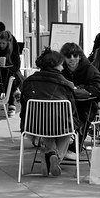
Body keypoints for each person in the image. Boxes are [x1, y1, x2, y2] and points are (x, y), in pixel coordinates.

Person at [19, 49, 79, 177]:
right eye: (61, 64)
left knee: (45, 124)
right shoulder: (66, 84)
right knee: (68, 129)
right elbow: (72, 109)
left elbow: (24, 103)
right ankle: (55, 156)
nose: (63, 67)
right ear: (55, 65)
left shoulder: (29, 81)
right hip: (60, 125)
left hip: (34, 124)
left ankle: (50, 154)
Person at [61, 42, 100, 156]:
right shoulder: (60, 69)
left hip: (85, 104)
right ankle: (56, 147)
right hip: (65, 105)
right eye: (68, 56)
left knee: (85, 114)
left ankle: (77, 145)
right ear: (63, 58)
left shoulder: (89, 69)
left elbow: (99, 90)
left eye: (75, 56)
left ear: (80, 56)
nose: (72, 59)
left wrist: (80, 88)